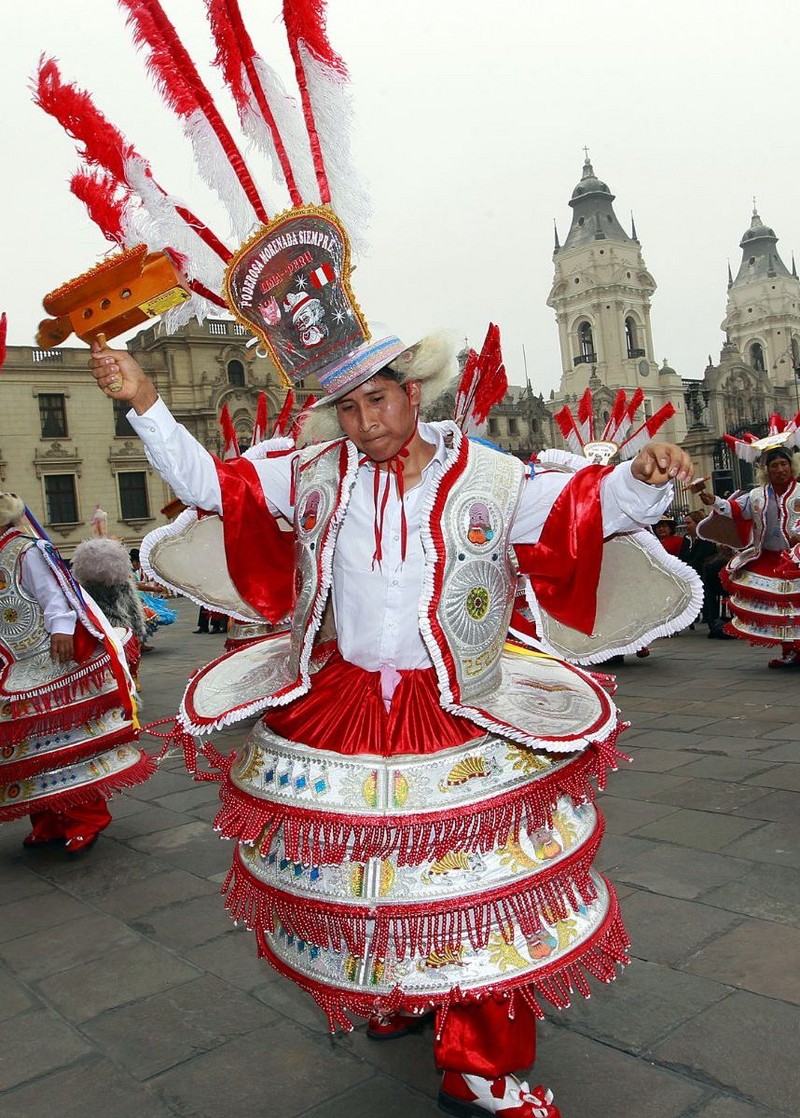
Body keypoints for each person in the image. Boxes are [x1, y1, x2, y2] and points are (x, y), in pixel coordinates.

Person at [89, 328, 693, 1118]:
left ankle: (479, 1068)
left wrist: (645, 478)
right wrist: (143, 400)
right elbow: (211, 483)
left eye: (378, 399)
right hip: (342, 706)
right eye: (348, 407)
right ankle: (402, 993)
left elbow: (589, 505)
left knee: (478, 889)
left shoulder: (492, 477)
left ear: (414, 394)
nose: (366, 421)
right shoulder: (311, 474)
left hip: (456, 709)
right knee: (366, 876)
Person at [0, 493, 155, 852]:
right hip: (12, 665)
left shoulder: (27, 549)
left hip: (47, 658)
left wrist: (61, 629)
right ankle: (47, 819)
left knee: (66, 743)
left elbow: (56, 593)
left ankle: (84, 819)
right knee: (26, 750)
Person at [699, 445, 800, 667]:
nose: (780, 469)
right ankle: (790, 650)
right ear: (767, 470)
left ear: (791, 466)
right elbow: (734, 509)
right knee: (783, 609)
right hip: (769, 559)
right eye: (774, 465)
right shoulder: (756, 495)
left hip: (797, 559)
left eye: (784, 464)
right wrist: (713, 501)